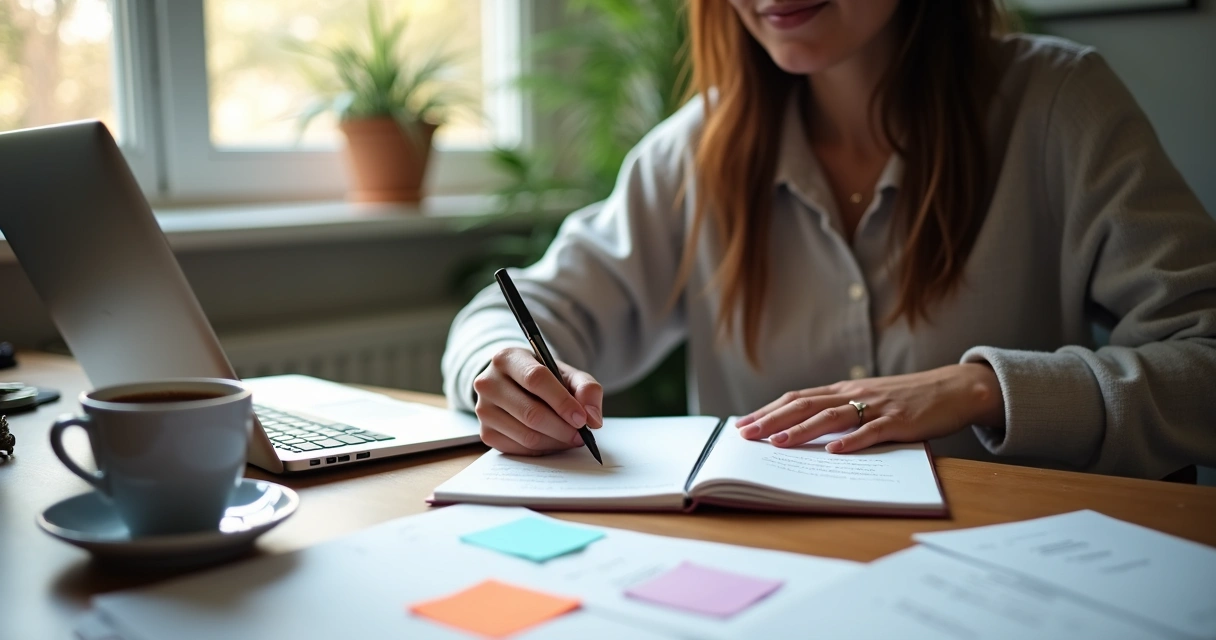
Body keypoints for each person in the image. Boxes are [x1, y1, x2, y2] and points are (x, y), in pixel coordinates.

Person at [442, 0, 1216, 480]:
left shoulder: (1058, 107)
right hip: (771, 586)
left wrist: (982, 389)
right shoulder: (695, 152)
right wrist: (498, 369)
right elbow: (514, 313)